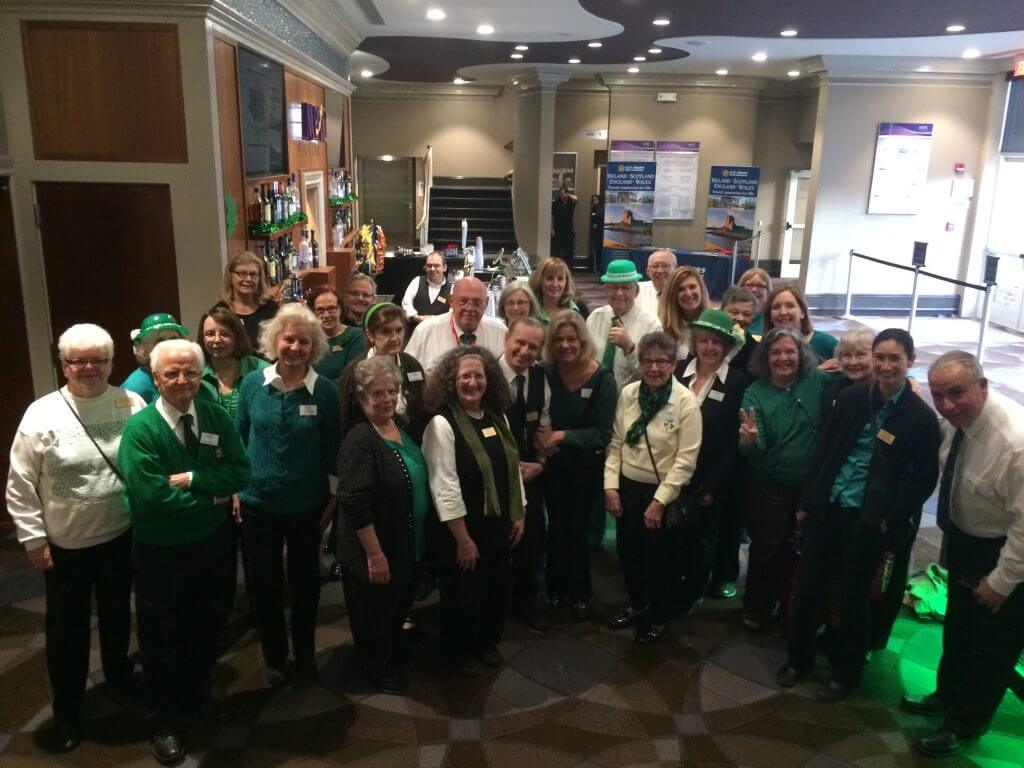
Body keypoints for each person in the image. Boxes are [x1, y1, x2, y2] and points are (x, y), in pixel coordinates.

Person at [778, 329, 939, 703]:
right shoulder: (850, 399)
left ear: (910, 362)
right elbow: (825, 452)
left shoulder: (919, 417)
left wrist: (890, 520)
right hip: (829, 507)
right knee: (807, 588)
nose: (884, 365)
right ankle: (798, 660)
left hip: (869, 520)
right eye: (880, 357)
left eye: (893, 359)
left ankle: (845, 672)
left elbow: (923, 480)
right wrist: (808, 500)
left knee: (853, 599)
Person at [6, 324, 145, 753]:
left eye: (97, 360)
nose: (87, 368)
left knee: (118, 612)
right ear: (63, 365)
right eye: (77, 360)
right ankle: (68, 708)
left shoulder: (129, 401)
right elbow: (19, 483)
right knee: (66, 631)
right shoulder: (41, 413)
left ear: (110, 362)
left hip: (121, 534)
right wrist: (32, 538)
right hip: (65, 544)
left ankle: (118, 678)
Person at [119, 339, 250, 765]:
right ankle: (163, 719)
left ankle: (196, 695)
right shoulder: (141, 430)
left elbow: (240, 470)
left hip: (212, 544)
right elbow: (151, 498)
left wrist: (194, 479)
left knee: (208, 623)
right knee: (161, 637)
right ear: (155, 379)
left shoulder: (212, 414)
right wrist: (215, 496)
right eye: (171, 373)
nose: (182, 381)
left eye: (190, 372)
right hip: (162, 551)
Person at [902, 351, 1024, 757]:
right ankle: (947, 696)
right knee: (958, 629)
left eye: (957, 393)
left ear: (983, 387)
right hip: (966, 542)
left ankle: (965, 724)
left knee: (992, 647)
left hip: (1005, 552)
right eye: (938, 394)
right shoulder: (957, 424)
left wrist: (1002, 580)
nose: (947, 404)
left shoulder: (1015, 443)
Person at [235, 303, 341, 685]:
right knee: (263, 586)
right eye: (289, 338)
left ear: (314, 348)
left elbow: (332, 448)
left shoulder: (325, 391)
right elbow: (239, 439)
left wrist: (333, 495)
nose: (295, 346)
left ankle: (306, 655)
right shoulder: (251, 385)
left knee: (306, 584)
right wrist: (236, 489)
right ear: (274, 341)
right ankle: (275, 656)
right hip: (257, 503)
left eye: (303, 341)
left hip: (306, 505)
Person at [422, 347, 526, 677]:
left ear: (489, 380)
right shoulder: (442, 424)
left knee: (494, 587)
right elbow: (444, 485)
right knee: (462, 592)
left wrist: (519, 512)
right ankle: (459, 650)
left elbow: (512, 468)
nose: (472, 382)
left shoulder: (499, 417)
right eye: (464, 376)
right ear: (450, 382)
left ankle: (485, 643)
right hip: (461, 528)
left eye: (478, 376)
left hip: (496, 524)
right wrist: (462, 539)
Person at [336, 356, 430, 695]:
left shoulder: (400, 424)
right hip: (375, 547)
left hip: (406, 538)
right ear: (362, 399)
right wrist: (374, 556)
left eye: (392, 391)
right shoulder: (361, 439)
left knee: (397, 604)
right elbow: (355, 503)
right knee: (374, 613)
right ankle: (375, 666)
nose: (387, 399)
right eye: (378, 394)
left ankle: (390, 651)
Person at [605, 331, 702, 644]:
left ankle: (659, 617)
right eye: (648, 361)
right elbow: (617, 443)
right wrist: (611, 488)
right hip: (628, 487)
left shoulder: (685, 402)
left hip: (664, 492)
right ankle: (637, 604)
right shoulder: (630, 393)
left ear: (674, 364)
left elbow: (686, 461)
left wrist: (659, 502)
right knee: (628, 552)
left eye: (662, 361)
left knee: (658, 560)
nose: (654, 368)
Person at [738, 326, 833, 631]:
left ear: (801, 353)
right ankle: (757, 608)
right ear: (765, 357)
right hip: (771, 486)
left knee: (808, 554)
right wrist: (750, 441)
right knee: (768, 549)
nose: (783, 358)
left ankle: (796, 611)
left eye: (789, 351)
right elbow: (753, 448)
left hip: (812, 487)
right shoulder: (755, 392)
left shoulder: (817, 381)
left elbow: (856, 379)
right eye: (775, 352)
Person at [538, 311, 617, 620]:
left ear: (583, 340)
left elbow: (602, 433)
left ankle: (581, 592)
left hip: (586, 468)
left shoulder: (603, 378)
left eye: (572, 338)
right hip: (553, 467)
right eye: (558, 339)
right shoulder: (545, 371)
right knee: (556, 528)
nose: (565, 345)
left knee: (578, 531)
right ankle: (555, 590)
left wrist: (559, 436)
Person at [674, 309, 750, 606]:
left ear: (727, 346)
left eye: (717, 342)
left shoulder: (738, 383)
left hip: (713, 474)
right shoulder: (678, 371)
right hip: (676, 470)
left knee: (709, 535)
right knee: (679, 532)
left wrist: (712, 486)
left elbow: (733, 441)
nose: (709, 347)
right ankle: (680, 579)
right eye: (704, 341)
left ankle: (696, 591)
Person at [498, 317, 552, 629]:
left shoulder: (541, 377)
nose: (525, 350)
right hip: (494, 476)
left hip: (530, 473)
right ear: (507, 340)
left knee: (530, 541)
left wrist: (541, 464)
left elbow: (544, 425)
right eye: (520, 342)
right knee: (498, 541)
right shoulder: (486, 375)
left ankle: (526, 604)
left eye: (533, 346)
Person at [338, 302, 428, 437]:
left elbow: (421, 412)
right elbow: (346, 423)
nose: (394, 338)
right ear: (370, 334)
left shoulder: (412, 365)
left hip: (411, 446)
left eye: (399, 330)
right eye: (385, 331)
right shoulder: (353, 372)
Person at [586, 259, 662, 389]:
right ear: (605, 290)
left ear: (636, 291)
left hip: (630, 403)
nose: (619, 293)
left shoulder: (652, 325)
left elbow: (656, 375)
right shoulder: (595, 317)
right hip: (594, 398)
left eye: (626, 287)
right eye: (613, 287)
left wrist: (630, 348)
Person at [405, 277, 507, 373]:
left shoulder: (501, 333)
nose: (470, 308)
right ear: (451, 301)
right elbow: (405, 372)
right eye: (463, 301)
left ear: (486, 303)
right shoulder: (425, 332)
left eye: (477, 302)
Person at [195, 306, 269, 419]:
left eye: (224, 334)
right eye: (210, 334)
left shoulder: (262, 370)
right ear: (202, 338)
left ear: (237, 337)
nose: (217, 340)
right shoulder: (194, 373)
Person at [212, 251, 278, 352]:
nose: (248, 279)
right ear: (231, 277)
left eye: (253, 274)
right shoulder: (220, 312)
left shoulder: (270, 308)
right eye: (242, 274)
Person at [121, 313, 189, 403]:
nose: (169, 346)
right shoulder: (135, 387)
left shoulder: (184, 377)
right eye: (160, 341)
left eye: (174, 339)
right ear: (144, 349)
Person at [762, 284, 838, 363]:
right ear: (769, 315)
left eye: (790, 306)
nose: (783, 312)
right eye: (776, 307)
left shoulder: (828, 343)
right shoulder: (763, 347)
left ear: (802, 312)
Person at [307, 285, 366, 382]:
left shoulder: (357, 336)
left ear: (340, 309)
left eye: (331, 309)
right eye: (320, 310)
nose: (326, 315)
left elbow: (352, 378)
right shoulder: (307, 339)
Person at [659, 266, 711, 360]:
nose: (688, 293)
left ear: (701, 289)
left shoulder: (714, 323)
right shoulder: (661, 328)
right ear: (672, 295)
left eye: (692, 287)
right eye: (681, 289)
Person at [528, 256, 588, 325]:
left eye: (560, 279)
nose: (555, 284)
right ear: (539, 280)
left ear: (566, 281)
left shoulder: (581, 309)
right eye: (549, 278)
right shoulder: (529, 309)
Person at [401, 251, 451, 323]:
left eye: (436, 265)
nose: (432, 269)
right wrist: (416, 317)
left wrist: (436, 321)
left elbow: (453, 314)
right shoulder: (417, 281)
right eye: (429, 265)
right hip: (415, 330)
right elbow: (406, 303)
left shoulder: (452, 288)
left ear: (444, 267)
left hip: (439, 331)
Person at [721, 286, 759, 372]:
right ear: (722, 310)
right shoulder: (707, 339)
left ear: (753, 317)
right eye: (734, 312)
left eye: (747, 314)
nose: (740, 318)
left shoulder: (756, 352)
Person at [636, 249, 677, 318]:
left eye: (665, 265)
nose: (660, 270)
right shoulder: (636, 290)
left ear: (675, 269)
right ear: (648, 271)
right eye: (655, 266)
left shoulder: (684, 292)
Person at [736, 267, 772, 337]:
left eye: (760, 286)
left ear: (768, 292)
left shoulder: (771, 320)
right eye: (749, 285)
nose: (754, 290)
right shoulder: (730, 316)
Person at [551, 185, 577, 261]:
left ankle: (569, 268)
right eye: (560, 194)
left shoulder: (571, 202)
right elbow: (552, 216)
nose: (561, 196)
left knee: (569, 250)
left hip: (569, 229)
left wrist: (567, 194)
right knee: (556, 250)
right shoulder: (556, 203)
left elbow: (576, 199)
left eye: (562, 194)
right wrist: (552, 228)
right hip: (558, 229)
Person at [588, 194, 603, 271]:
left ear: (599, 200)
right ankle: (597, 268)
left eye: (596, 200)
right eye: (593, 200)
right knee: (597, 250)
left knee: (601, 251)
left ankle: (601, 268)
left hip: (601, 232)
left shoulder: (602, 209)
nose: (595, 202)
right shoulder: (593, 209)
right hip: (595, 233)